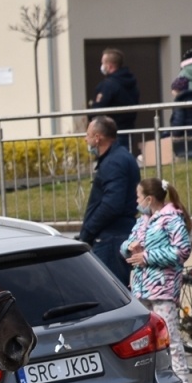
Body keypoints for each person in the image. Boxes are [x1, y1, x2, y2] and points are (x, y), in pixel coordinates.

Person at [121, 178, 192, 383]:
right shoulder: (143, 221)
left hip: (162, 288)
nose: (136, 200)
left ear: (149, 199)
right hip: (142, 289)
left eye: (138, 196)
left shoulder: (171, 219)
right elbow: (127, 244)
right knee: (144, 339)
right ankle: (148, 382)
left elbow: (182, 250)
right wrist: (129, 248)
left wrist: (148, 257)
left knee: (170, 337)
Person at [80, 116, 139, 287]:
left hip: (112, 240)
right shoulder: (117, 157)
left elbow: (112, 205)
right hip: (114, 237)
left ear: (98, 138)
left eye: (88, 135)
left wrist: (88, 232)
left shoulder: (114, 162)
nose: (86, 139)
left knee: (109, 293)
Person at [92, 49, 141, 147]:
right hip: (128, 131)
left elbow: (98, 108)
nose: (102, 66)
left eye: (103, 63)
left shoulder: (109, 85)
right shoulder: (131, 82)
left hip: (112, 133)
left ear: (109, 66)